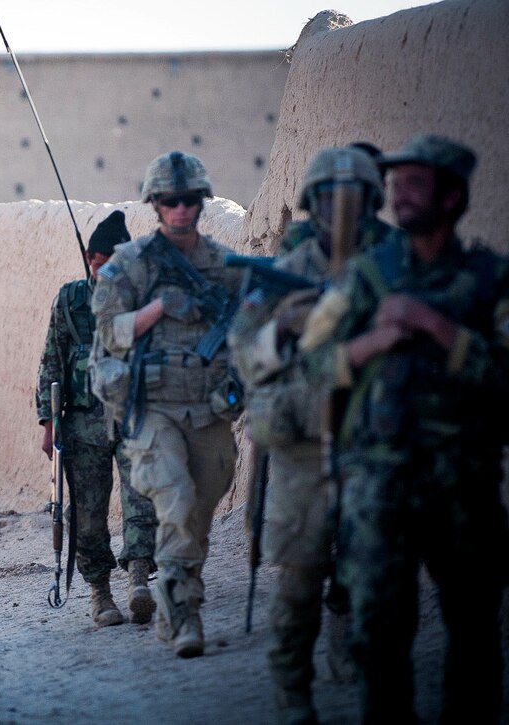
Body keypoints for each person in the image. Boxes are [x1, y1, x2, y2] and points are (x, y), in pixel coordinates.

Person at [298, 135, 509, 723]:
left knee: (473, 638)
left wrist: (439, 330)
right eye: (394, 183)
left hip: (464, 490)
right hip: (379, 489)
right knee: (379, 639)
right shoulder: (369, 277)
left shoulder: (491, 281)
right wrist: (366, 344)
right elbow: (309, 359)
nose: (399, 193)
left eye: (415, 182)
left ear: (453, 195)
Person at [227, 145, 390, 724]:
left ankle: (359, 658)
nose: (340, 210)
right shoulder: (285, 275)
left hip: (375, 444)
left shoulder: (393, 266)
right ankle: (293, 691)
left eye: (354, 198)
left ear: (374, 202)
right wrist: (287, 328)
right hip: (300, 442)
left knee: (372, 574)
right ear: (309, 205)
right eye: (327, 198)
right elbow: (243, 353)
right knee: (300, 580)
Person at [90, 151, 242, 657]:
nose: (180, 209)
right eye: (170, 201)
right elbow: (109, 334)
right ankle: (183, 616)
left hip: (209, 408)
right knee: (175, 500)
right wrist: (156, 309)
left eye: (189, 200)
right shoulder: (129, 267)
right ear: (155, 205)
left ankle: (176, 583)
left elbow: (247, 333)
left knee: (197, 513)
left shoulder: (223, 266)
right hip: (153, 408)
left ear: (201, 203)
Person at [36, 210, 159, 627]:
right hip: (83, 423)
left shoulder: (141, 299)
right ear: (90, 258)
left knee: (140, 500)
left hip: (133, 417)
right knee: (88, 513)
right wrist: (47, 423)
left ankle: (139, 580)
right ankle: (100, 594)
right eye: (102, 259)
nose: (109, 268)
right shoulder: (70, 300)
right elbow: (51, 361)